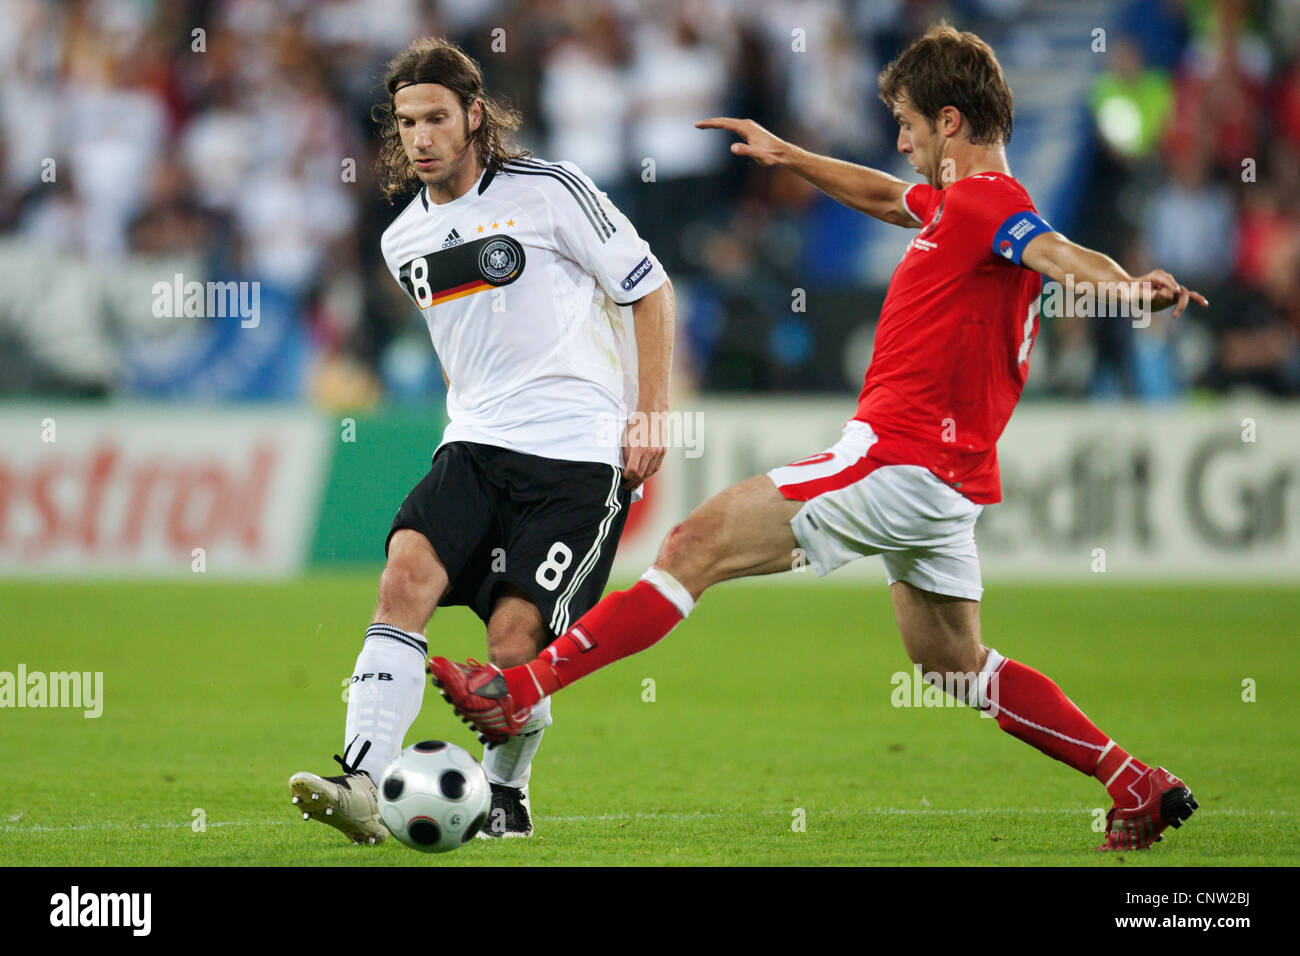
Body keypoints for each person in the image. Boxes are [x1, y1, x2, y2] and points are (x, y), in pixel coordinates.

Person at [429, 23, 1206, 852]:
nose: (899, 143)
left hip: (896, 457)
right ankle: (1133, 780)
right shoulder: (955, 207)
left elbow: (1055, 252)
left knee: (697, 544)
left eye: (907, 125)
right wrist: (791, 155)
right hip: (949, 484)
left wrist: (1124, 290)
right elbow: (883, 197)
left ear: (950, 121)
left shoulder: (990, 205)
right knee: (953, 662)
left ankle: (521, 687)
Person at [289, 37, 675, 843]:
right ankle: (362, 782)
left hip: (574, 456)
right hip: (472, 445)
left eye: (435, 117)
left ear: (474, 115)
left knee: (510, 648)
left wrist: (651, 412)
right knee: (402, 579)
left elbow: (648, 287)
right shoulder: (402, 242)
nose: (420, 136)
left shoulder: (550, 192)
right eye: (405, 123)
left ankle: (507, 791)